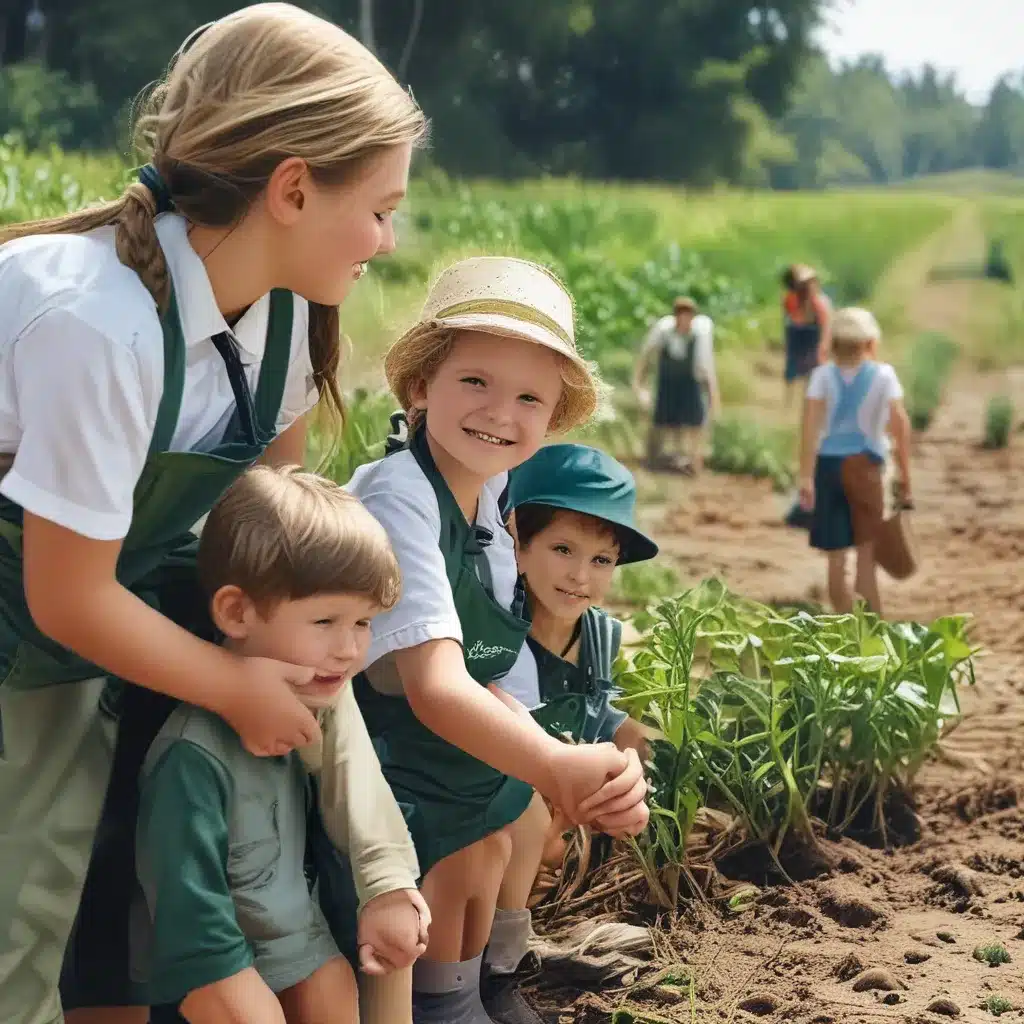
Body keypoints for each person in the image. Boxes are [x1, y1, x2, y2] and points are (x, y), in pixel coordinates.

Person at [0, 5, 426, 1023]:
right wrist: (236, 686)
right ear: (290, 188)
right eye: (377, 206)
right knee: (25, 912)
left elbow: (264, 545)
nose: (388, 238)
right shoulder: (97, 322)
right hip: (33, 633)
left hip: (127, 614)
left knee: (117, 916)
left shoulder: (278, 315)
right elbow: (64, 594)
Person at [330, 256, 650, 1024]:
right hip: (366, 745)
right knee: (460, 843)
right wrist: (554, 762)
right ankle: (445, 1003)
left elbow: (495, 669)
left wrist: (575, 764)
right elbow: (433, 688)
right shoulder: (400, 493)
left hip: (434, 743)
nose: (500, 413)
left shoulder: (492, 494)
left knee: (501, 834)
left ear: (553, 418)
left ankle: (475, 988)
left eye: (530, 397)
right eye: (475, 381)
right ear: (420, 388)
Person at [133, 466, 428, 1024]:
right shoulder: (191, 755)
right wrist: (224, 982)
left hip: (296, 941)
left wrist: (387, 890)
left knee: (334, 989)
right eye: (325, 620)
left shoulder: (318, 695)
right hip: (215, 959)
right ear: (237, 612)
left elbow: (355, 785)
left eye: (364, 623)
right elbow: (188, 909)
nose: (348, 650)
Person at [484, 443, 662, 1022]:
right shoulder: (496, 631)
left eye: (602, 561)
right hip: (499, 818)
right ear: (520, 542)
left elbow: (620, 728)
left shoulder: (604, 639)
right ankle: (494, 968)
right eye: (562, 549)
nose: (580, 576)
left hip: (565, 823)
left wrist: (631, 774)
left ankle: (539, 926)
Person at [798, 308, 912, 616]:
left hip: (830, 467)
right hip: (868, 467)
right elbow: (900, 426)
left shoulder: (822, 376)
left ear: (834, 341)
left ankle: (842, 626)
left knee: (836, 558)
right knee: (865, 555)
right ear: (870, 341)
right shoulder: (883, 376)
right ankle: (869, 631)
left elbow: (809, 428)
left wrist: (805, 476)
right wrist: (905, 473)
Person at [632, 296, 720, 474]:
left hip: (689, 381)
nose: (686, 320)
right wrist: (639, 383)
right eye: (682, 316)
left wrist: (714, 396)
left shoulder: (699, 335)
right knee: (664, 422)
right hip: (668, 382)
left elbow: (706, 367)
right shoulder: (663, 331)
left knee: (695, 421)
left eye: (689, 316)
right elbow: (646, 355)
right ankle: (659, 459)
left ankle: (694, 460)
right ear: (677, 317)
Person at [783, 264, 832, 405]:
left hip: (811, 337)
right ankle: (790, 402)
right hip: (800, 335)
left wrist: (824, 344)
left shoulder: (819, 303)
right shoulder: (792, 299)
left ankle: (808, 401)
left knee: (812, 373)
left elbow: (825, 325)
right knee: (794, 371)